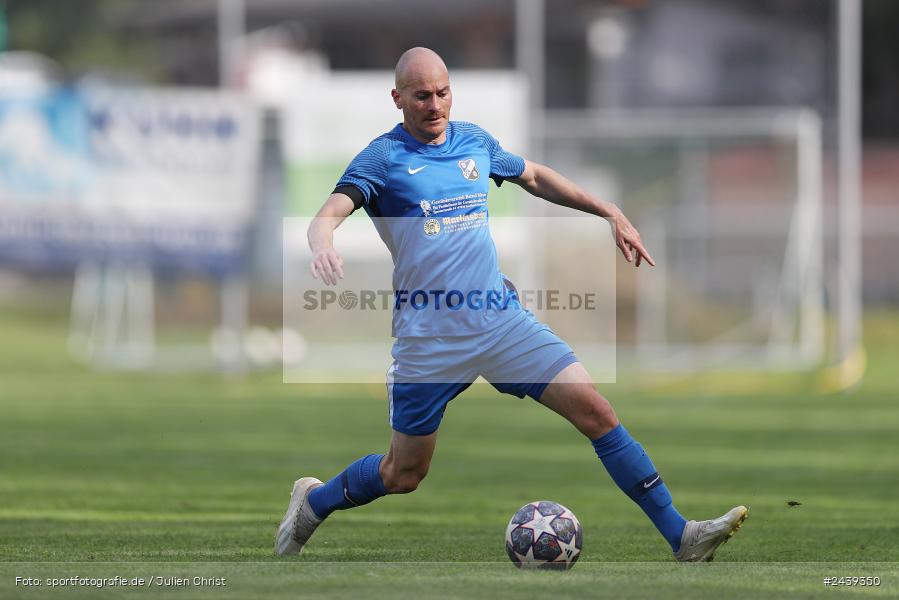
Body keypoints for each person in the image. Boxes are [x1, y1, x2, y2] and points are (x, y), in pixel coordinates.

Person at [276, 47, 747, 562]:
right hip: (429, 340)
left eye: (442, 92)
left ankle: (682, 536)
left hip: (501, 323)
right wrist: (323, 243)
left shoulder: (474, 141)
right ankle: (313, 503)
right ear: (398, 98)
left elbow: (536, 177)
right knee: (403, 474)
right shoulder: (383, 158)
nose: (435, 104)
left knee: (596, 411)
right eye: (421, 95)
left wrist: (607, 210)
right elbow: (327, 214)